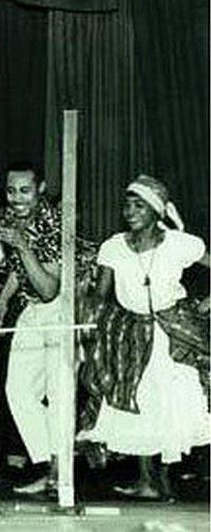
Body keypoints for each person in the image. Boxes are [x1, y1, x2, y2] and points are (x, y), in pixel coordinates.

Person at [78, 175, 210, 500]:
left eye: (139, 205)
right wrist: (87, 320)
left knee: (175, 403)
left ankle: (163, 477)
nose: (129, 211)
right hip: (130, 333)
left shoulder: (180, 243)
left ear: (156, 210)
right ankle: (147, 480)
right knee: (134, 401)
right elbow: (101, 295)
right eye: (127, 205)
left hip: (173, 332)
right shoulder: (112, 247)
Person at [0, 162, 63, 494]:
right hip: (32, 310)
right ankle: (53, 467)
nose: (16, 198)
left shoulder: (56, 223)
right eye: (11, 190)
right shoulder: (13, 219)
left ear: (41, 189)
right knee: (18, 391)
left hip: (62, 311)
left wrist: (20, 244)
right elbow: (20, 270)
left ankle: (61, 473)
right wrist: (3, 302)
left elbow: (49, 288)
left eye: (25, 190)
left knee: (59, 394)